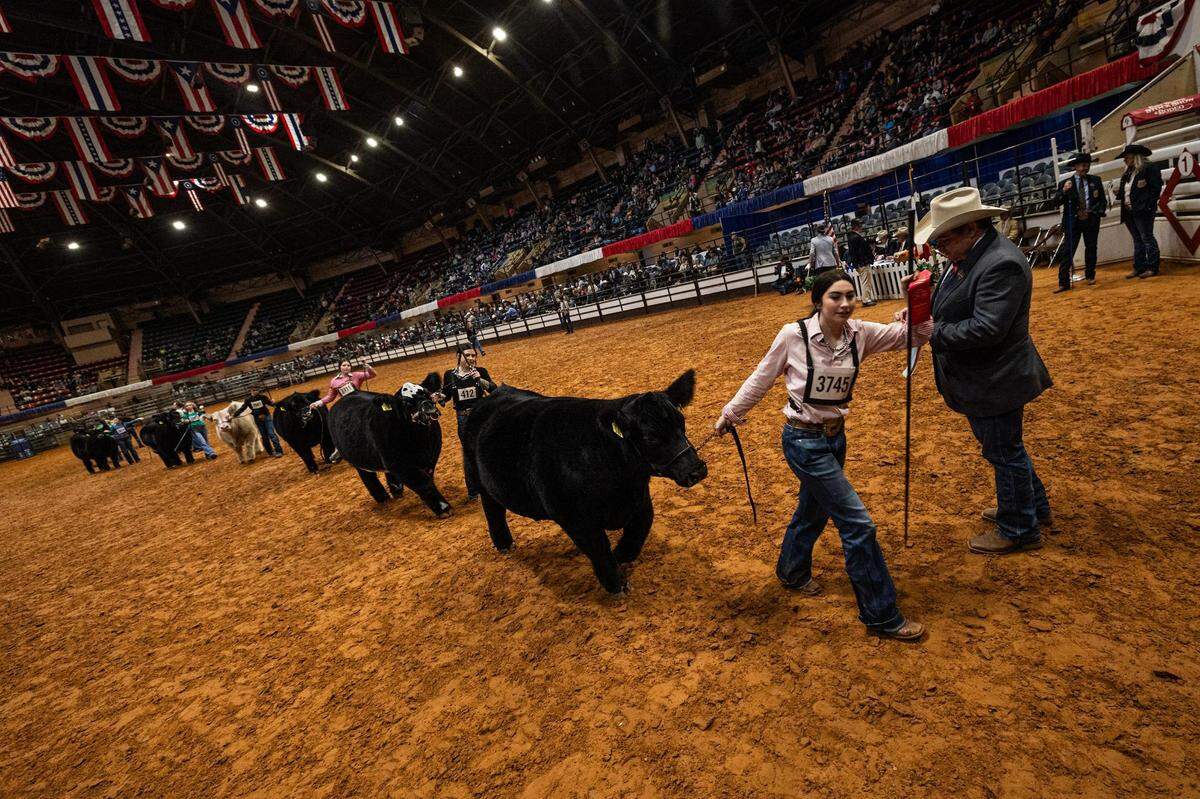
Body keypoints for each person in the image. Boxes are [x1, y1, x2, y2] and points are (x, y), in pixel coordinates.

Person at [714, 269, 931, 642]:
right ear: (818, 300)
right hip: (802, 441)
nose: (845, 304)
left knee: (813, 509)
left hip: (835, 438)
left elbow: (918, 335)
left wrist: (915, 308)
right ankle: (881, 615)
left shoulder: (861, 333)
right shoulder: (792, 335)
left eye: (850, 296)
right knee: (858, 524)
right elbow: (761, 378)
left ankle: (792, 571)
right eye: (835, 297)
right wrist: (730, 414)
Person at [915, 187, 1052, 555]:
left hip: (996, 377)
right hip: (986, 377)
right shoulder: (975, 256)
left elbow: (988, 328)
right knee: (1004, 448)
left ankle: (1020, 527)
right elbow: (955, 306)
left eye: (944, 239)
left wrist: (933, 332)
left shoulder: (998, 263)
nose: (939, 247)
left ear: (971, 228)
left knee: (1004, 452)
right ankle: (1031, 507)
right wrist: (923, 313)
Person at [434, 346, 497, 499]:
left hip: (482, 414)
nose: (471, 358)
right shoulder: (450, 374)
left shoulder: (480, 371)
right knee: (469, 453)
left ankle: (494, 485)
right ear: (458, 356)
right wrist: (439, 397)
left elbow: (494, 390)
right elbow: (447, 395)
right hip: (463, 418)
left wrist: (479, 380)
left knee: (488, 448)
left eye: (474, 356)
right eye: (467, 355)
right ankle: (473, 490)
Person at [1055, 152, 1107, 292]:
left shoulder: (1096, 181)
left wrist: (1094, 212)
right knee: (1068, 251)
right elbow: (1056, 201)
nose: (1085, 168)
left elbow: (1102, 201)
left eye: (1087, 165)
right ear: (1076, 167)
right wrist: (1064, 191)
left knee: (1091, 248)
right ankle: (1063, 282)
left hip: (1090, 220)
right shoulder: (1065, 183)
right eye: (1082, 165)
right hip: (1073, 221)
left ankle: (1090, 275)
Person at [310, 359, 377, 463]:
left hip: (360, 401)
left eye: (348, 365)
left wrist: (366, 365)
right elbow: (330, 397)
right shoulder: (334, 381)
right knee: (340, 424)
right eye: (344, 365)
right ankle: (339, 448)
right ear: (340, 367)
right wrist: (318, 403)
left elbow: (372, 375)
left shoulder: (356, 375)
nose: (346, 367)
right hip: (347, 405)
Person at [1115, 143, 1163, 279]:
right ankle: (1140, 266)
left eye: (1127, 157)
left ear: (1135, 157)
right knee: (1139, 239)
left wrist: (1148, 205)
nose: (1125, 160)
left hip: (1143, 210)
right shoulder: (1128, 173)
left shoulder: (1149, 169)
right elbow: (1126, 191)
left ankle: (1152, 267)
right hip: (1130, 210)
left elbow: (1155, 189)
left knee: (1146, 237)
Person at [231, 384, 284, 458]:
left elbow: (271, 404)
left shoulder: (263, 397)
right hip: (258, 419)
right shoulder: (248, 400)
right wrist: (234, 415)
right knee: (264, 436)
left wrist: (275, 404)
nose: (256, 391)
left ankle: (279, 451)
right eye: (254, 390)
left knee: (271, 434)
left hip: (266, 417)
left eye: (257, 390)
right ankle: (270, 452)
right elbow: (242, 408)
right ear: (251, 391)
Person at [845, 219, 877, 306]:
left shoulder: (852, 237)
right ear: (856, 226)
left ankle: (867, 298)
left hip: (859, 262)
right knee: (866, 281)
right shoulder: (856, 237)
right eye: (859, 225)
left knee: (865, 281)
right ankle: (866, 300)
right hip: (862, 263)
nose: (861, 227)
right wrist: (866, 260)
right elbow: (860, 252)